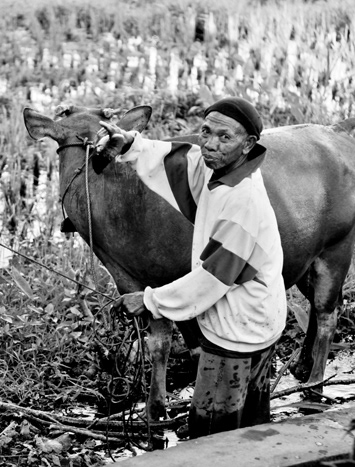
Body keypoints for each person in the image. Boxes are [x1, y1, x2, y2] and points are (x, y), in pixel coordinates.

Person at [96, 97, 287, 439]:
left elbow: (213, 279)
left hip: (238, 332)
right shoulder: (223, 168)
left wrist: (150, 300)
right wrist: (130, 145)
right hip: (260, 317)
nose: (210, 144)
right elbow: (179, 161)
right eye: (206, 132)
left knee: (212, 432)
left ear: (248, 144)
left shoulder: (243, 202)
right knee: (252, 426)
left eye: (224, 137)